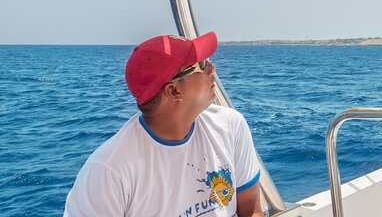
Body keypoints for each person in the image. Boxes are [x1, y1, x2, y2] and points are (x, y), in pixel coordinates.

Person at [64, 32, 263, 217]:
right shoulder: (109, 170)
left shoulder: (230, 125)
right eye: (201, 65)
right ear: (174, 91)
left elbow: (250, 207)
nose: (212, 68)